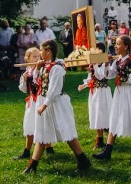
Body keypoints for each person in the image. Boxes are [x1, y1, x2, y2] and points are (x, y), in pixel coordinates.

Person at [22, 39, 92, 174]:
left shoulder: (57, 68)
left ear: (48, 51)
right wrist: (37, 68)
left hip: (56, 103)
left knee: (66, 132)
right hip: (45, 101)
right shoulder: (44, 65)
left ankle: (83, 160)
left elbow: (54, 89)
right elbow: (37, 81)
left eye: (41, 50)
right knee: (42, 132)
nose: (40, 53)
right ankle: (33, 165)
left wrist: (44, 105)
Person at [14, 47, 44, 160]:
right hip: (32, 101)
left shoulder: (42, 69)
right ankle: (27, 151)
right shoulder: (26, 72)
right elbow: (23, 89)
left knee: (42, 123)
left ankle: (48, 147)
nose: (36, 58)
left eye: (38, 56)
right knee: (29, 124)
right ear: (28, 58)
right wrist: (25, 80)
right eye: (34, 57)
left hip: (41, 100)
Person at [78, 59, 112, 151]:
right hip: (95, 92)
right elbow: (90, 78)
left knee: (104, 113)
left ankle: (108, 136)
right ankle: (100, 139)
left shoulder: (105, 65)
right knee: (96, 114)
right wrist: (84, 85)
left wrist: (95, 65)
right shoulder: (94, 65)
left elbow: (100, 76)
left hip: (103, 92)